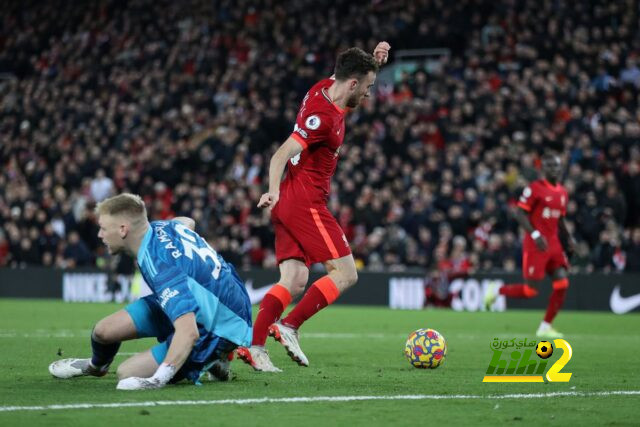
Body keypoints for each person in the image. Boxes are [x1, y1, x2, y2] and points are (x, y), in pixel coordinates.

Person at [236, 42, 391, 372]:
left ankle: (255, 346)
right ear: (352, 83)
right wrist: (272, 191)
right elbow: (280, 154)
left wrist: (374, 64)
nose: (368, 94)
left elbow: (349, 82)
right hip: (303, 202)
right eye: (368, 87)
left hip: (291, 201)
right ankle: (289, 326)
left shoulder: (324, 89)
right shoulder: (322, 119)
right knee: (347, 274)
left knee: (292, 279)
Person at [48, 193, 252, 389]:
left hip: (217, 327)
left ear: (122, 229)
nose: (100, 235)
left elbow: (189, 332)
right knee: (103, 332)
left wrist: (157, 380)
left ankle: (214, 357)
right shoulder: (160, 227)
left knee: (127, 372)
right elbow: (187, 221)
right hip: (220, 298)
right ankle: (96, 367)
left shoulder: (160, 265)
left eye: (103, 228)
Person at [485, 153, 576, 338]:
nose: (555, 170)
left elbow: (560, 219)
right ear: (543, 169)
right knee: (530, 290)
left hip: (554, 244)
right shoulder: (535, 189)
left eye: (558, 166)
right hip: (536, 245)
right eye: (551, 166)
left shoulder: (563, 192)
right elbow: (519, 213)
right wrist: (534, 234)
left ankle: (545, 326)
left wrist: (568, 239)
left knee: (562, 283)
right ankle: (497, 290)